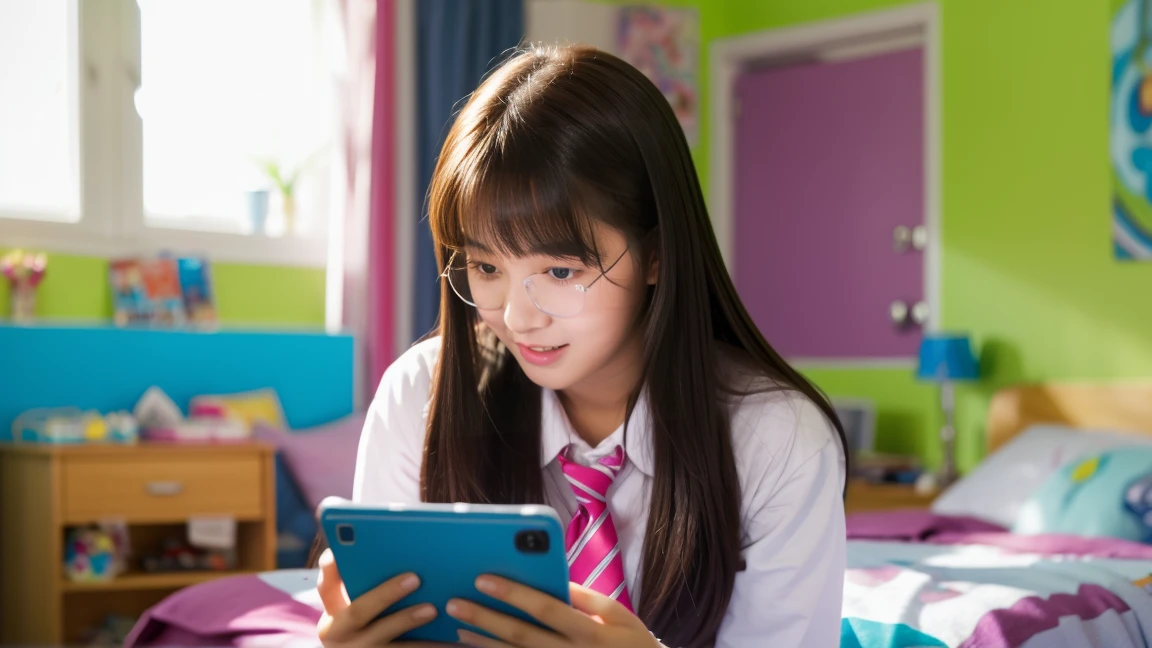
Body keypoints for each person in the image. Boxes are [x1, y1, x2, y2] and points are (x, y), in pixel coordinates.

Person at [316, 43, 847, 648]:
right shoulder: (422, 395)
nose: (516, 317)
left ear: (656, 255)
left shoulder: (779, 442)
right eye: (486, 268)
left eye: (561, 273)